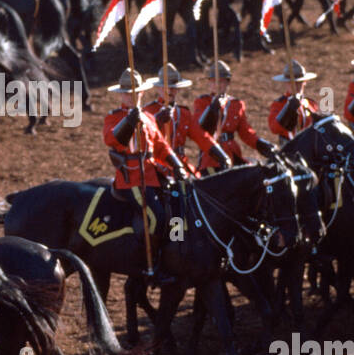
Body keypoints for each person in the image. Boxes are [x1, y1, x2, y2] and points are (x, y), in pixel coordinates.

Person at [102, 69, 186, 284]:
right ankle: (151, 264)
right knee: (156, 217)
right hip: (131, 180)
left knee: (178, 210)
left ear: (141, 94)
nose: (131, 96)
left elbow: (161, 146)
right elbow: (113, 140)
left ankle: (177, 253)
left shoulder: (148, 117)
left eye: (135, 93)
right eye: (127, 93)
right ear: (120, 95)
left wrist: (177, 166)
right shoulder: (114, 117)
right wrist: (129, 122)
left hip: (153, 175)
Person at [144, 63, 228, 172]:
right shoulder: (148, 111)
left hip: (180, 165)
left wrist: (221, 156)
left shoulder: (183, 113)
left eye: (174, 88)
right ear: (158, 88)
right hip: (157, 166)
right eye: (166, 87)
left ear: (178, 89)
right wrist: (157, 121)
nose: (169, 91)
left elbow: (201, 137)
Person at [194, 60, 275, 171]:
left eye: (221, 81)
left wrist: (261, 144)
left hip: (233, 155)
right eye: (213, 81)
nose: (217, 85)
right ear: (209, 83)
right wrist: (212, 108)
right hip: (211, 156)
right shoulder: (202, 102)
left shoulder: (236, 105)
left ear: (228, 83)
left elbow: (246, 133)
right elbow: (199, 129)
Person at [268, 60, 321, 140]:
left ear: (305, 82)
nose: (295, 85)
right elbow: (274, 129)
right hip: (290, 148)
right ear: (285, 83)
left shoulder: (311, 104)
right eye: (291, 82)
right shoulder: (279, 104)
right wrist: (288, 110)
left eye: (299, 82)